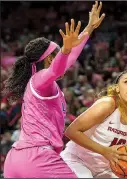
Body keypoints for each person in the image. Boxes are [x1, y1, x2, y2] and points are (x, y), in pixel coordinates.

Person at [3, 1, 105, 177]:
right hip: (38, 159)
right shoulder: (40, 79)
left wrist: (89, 28)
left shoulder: (37, 84)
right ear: (50, 59)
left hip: (16, 159)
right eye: (58, 55)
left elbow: (69, 58)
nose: (64, 59)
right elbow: (58, 67)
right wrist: (64, 50)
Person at [60, 70, 127, 178]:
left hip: (103, 168)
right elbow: (71, 131)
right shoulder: (108, 104)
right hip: (77, 160)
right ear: (117, 88)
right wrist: (104, 151)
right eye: (126, 82)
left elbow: (121, 142)